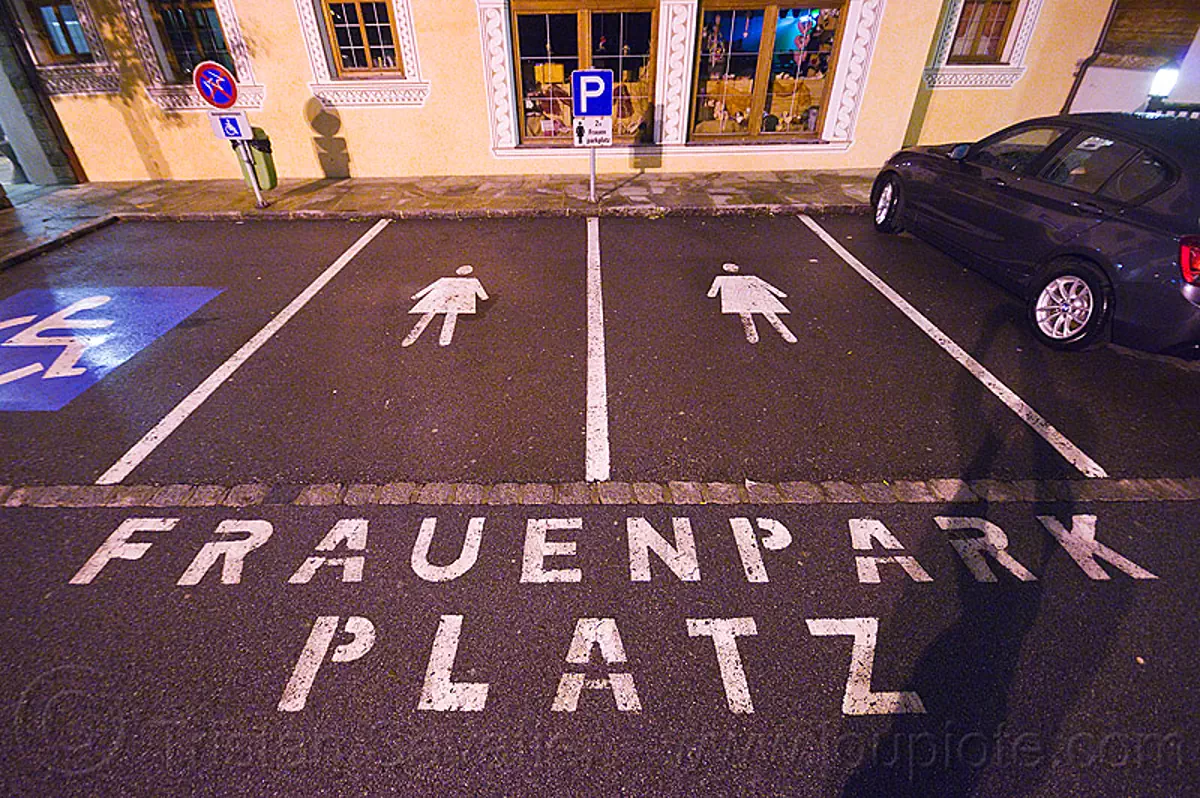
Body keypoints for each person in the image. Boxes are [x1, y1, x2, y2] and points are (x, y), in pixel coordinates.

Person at [707, 263, 796, 344]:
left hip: (749, 296)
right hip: (748, 297)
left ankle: (781, 332)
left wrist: (778, 293)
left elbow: (765, 284)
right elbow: (766, 285)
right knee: (750, 313)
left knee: (763, 312)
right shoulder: (723, 278)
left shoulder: (747, 277)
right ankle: (753, 333)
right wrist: (779, 293)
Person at [403, 266, 489, 347]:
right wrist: (484, 297)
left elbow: (430, 287)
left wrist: (417, 296)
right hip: (458, 301)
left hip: (437, 299)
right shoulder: (473, 281)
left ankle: (414, 335)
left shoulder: (444, 280)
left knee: (429, 313)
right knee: (451, 315)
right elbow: (481, 293)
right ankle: (445, 338)